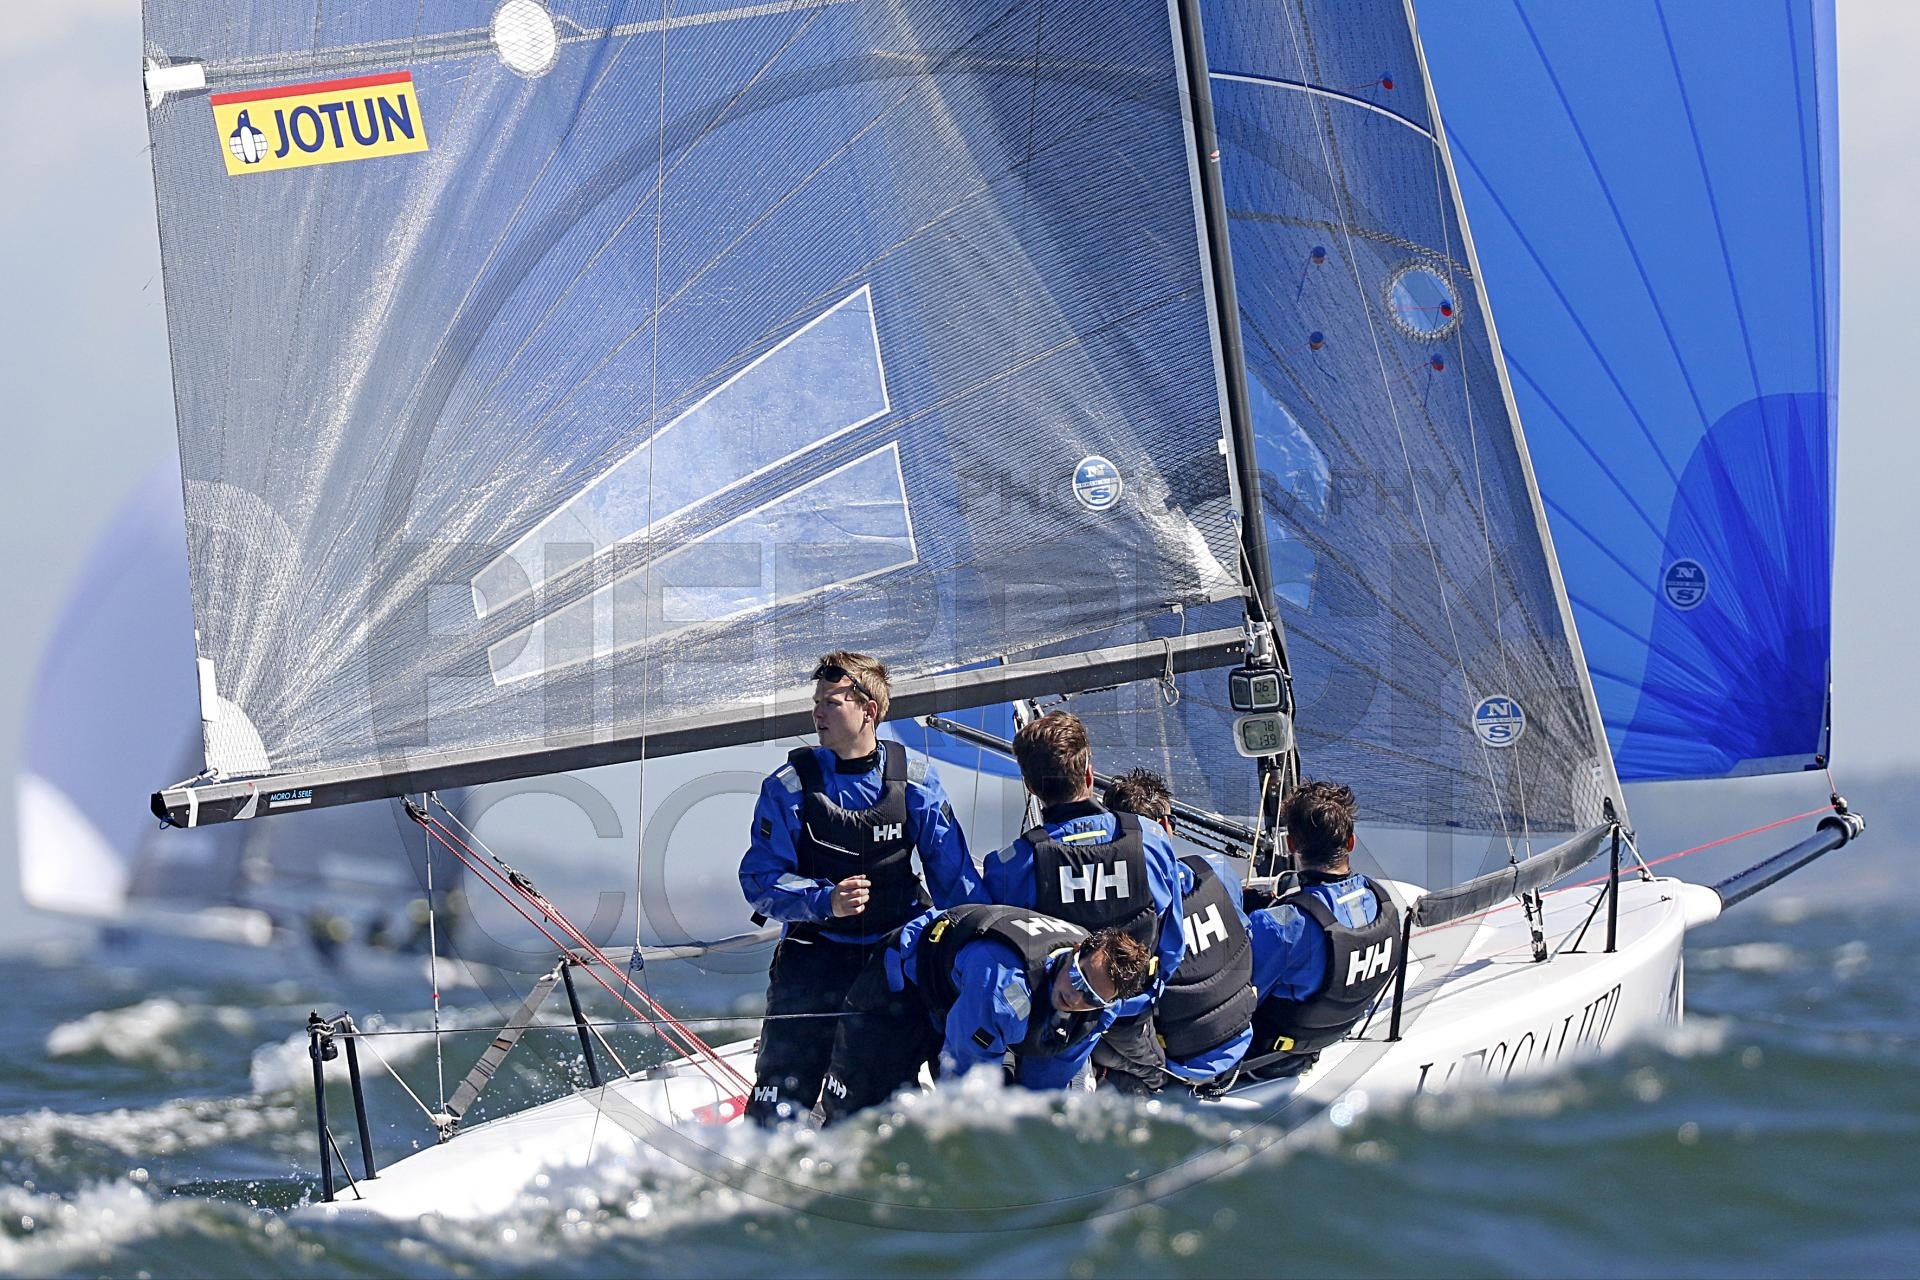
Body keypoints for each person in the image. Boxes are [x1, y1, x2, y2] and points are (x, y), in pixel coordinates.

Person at [738, 651, 984, 1125]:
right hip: (815, 957)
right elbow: (759, 880)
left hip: (893, 959)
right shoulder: (788, 787)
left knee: (878, 1101)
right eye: (816, 702)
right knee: (777, 1100)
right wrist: (824, 900)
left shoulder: (917, 784)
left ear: (868, 710)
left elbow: (956, 885)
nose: (817, 713)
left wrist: (993, 943)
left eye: (830, 703)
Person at [982, 715, 1184, 1091]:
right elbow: (1172, 945)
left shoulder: (1011, 866)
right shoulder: (1152, 840)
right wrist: (1135, 999)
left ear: (1030, 786)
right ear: (1089, 774)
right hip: (1128, 1011)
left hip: (1059, 1026)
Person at [818, 904, 1154, 1122]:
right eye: (1078, 978)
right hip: (906, 983)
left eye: (1091, 997)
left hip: (966, 999)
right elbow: (966, 1083)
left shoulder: (1099, 1013)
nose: (1075, 997)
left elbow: (1043, 1086)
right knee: (861, 1110)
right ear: (1077, 952)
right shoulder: (1006, 990)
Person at [1096, 770, 1258, 1094]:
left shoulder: (1119, 914)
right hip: (1239, 1043)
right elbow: (1244, 937)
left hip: (1176, 1065)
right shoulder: (1217, 871)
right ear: (1165, 825)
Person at [1242, 780, 1402, 1080]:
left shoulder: (1277, 925)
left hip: (1265, 1059)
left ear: (1291, 845)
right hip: (1332, 1037)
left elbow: (1238, 1001)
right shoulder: (1381, 902)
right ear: (1350, 843)